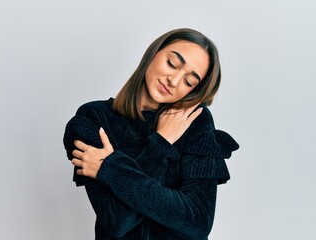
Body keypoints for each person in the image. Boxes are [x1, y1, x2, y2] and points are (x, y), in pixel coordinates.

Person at [63, 28, 239, 240]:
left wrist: (110, 169)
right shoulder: (94, 119)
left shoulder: (194, 121)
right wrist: (161, 143)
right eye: (172, 64)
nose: (173, 80)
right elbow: (117, 221)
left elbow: (198, 221)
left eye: (188, 82)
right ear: (153, 53)